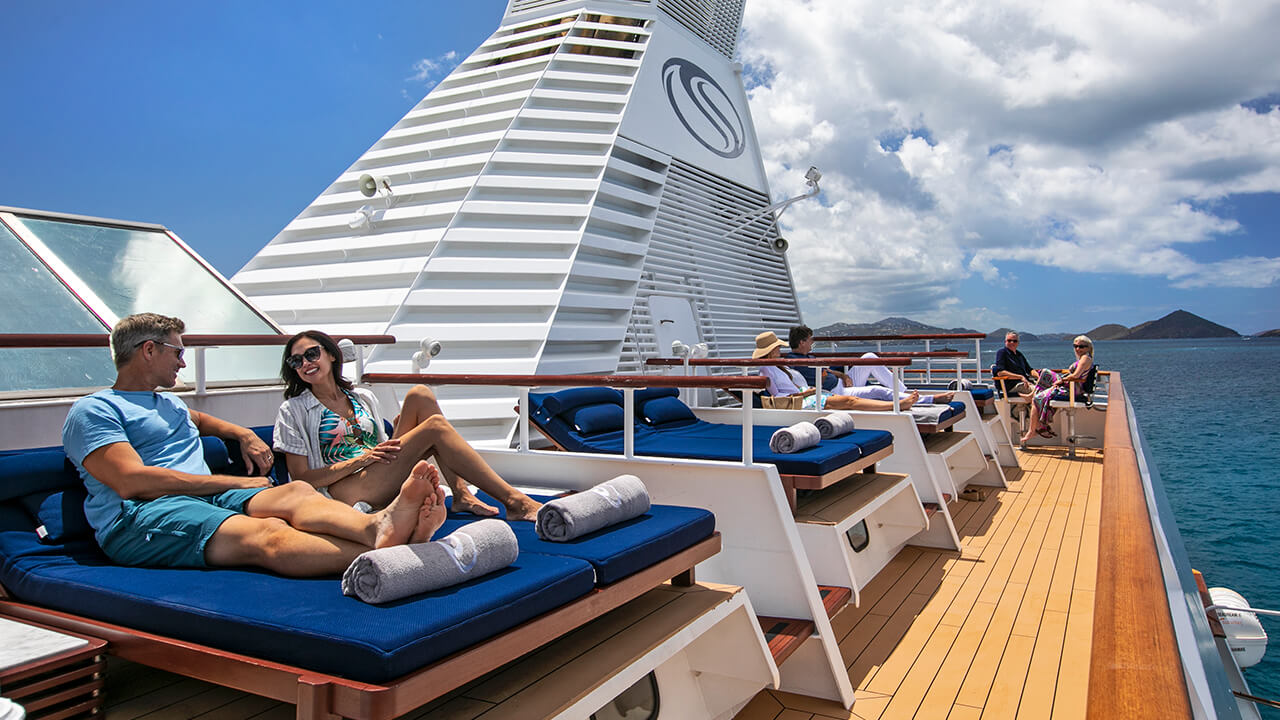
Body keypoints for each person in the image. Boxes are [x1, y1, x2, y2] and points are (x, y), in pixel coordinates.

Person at [61, 313, 447, 577]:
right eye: (177, 352)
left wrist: (242, 434)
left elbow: (199, 420)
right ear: (148, 350)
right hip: (139, 517)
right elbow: (133, 482)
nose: (182, 363)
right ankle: (393, 553)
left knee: (295, 492)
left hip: (201, 499)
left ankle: (376, 526)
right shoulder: (94, 410)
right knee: (267, 534)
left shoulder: (169, 403)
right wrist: (235, 482)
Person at [273, 330, 542, 521]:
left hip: (377, 471)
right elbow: (302, 478)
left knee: (420, 395)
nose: (306, 363)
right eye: (297, 361)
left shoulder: (362, 397)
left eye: (311, 354)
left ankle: (461, 494)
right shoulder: (293, 410)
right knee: (434, 426)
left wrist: (382, 447)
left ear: (331, 355)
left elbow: (377, 444)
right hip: (345, 489)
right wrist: (360, 461)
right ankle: (514, 502)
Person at [779, 326, 954, 405]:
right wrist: (835, 378)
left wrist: (842, 375)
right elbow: (815, 381)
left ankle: (903, 392)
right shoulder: (797, 362)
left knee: (870, 357)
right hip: (836, 392)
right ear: (802, 342)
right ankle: (929, 399)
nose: (812, 344)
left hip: (842, 382)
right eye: (810, 340)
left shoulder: (808, 356)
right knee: (877, 391)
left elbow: (826, 370)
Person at [753, 331, 921, 411]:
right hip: (801, 402)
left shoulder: (780, 366)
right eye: (776, 348)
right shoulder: (766, 369)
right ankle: (896, 405)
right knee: (850, 402)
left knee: (852, 399)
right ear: (770, 350)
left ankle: (898, 403)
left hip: (807, 395)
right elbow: (777, 398)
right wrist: (804, 394)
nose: (778, 351)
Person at [1019, 335, 1095, 444]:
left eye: (1081, 346)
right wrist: (1063, 379)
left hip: (1073, 390)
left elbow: (1076, 376)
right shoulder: (1085, 357)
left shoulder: (1085, 358)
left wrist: (1062, 381)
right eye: (1075, 346)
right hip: (1071, 386)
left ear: (1088, 347)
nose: (1078, 349)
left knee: (1037, 399)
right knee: (1045, 373)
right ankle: (1032, 396)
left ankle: (1032, 430)